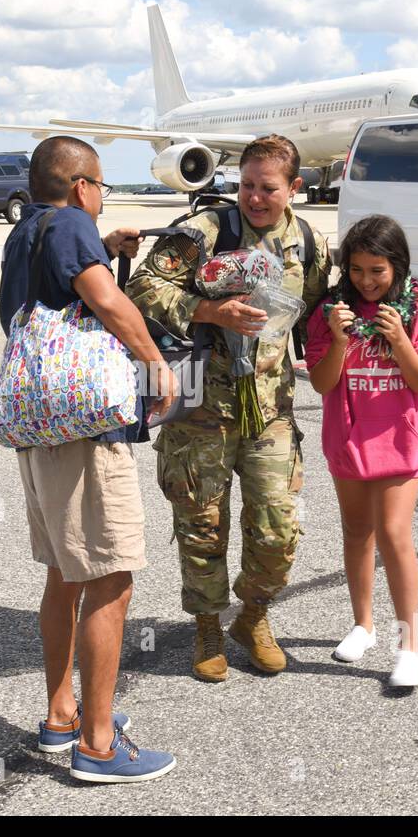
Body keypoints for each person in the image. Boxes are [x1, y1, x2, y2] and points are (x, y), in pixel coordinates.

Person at [0, 135, 178, 782]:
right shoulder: (73, 222)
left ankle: (62, 713)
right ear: (81, 187)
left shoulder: (27, 231)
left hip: (41, 425)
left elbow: (52, 292)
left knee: (65, 573)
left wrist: (106, 250)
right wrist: (155, 362)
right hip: (84, 431)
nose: (101, 199)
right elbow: (105, 301)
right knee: (111, 574)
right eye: (100, 186)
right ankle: (99, 744)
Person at [126, 134, 331, 682]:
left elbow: (310, 309)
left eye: (268, 189)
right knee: (201, 525)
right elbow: (144, 289)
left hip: (270, 409)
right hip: (199, 410)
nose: (255, 198)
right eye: (246, 186)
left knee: (277, 528)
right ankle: (209, 626)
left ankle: (254, 616)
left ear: (294, 188)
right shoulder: (205, 232)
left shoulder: (309, 242)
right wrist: (209, 311)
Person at [305, 214, 418, 686]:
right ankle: (362, 625)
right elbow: (323, 383)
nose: (366, 281)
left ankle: (410, 646)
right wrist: (340, 339)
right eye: (358, 270)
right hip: (347, 440)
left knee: (393, 532)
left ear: (398, 268)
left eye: (378, 271)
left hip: (399, 443)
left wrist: (400, 340)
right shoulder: (331, 311)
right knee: (356, 531)